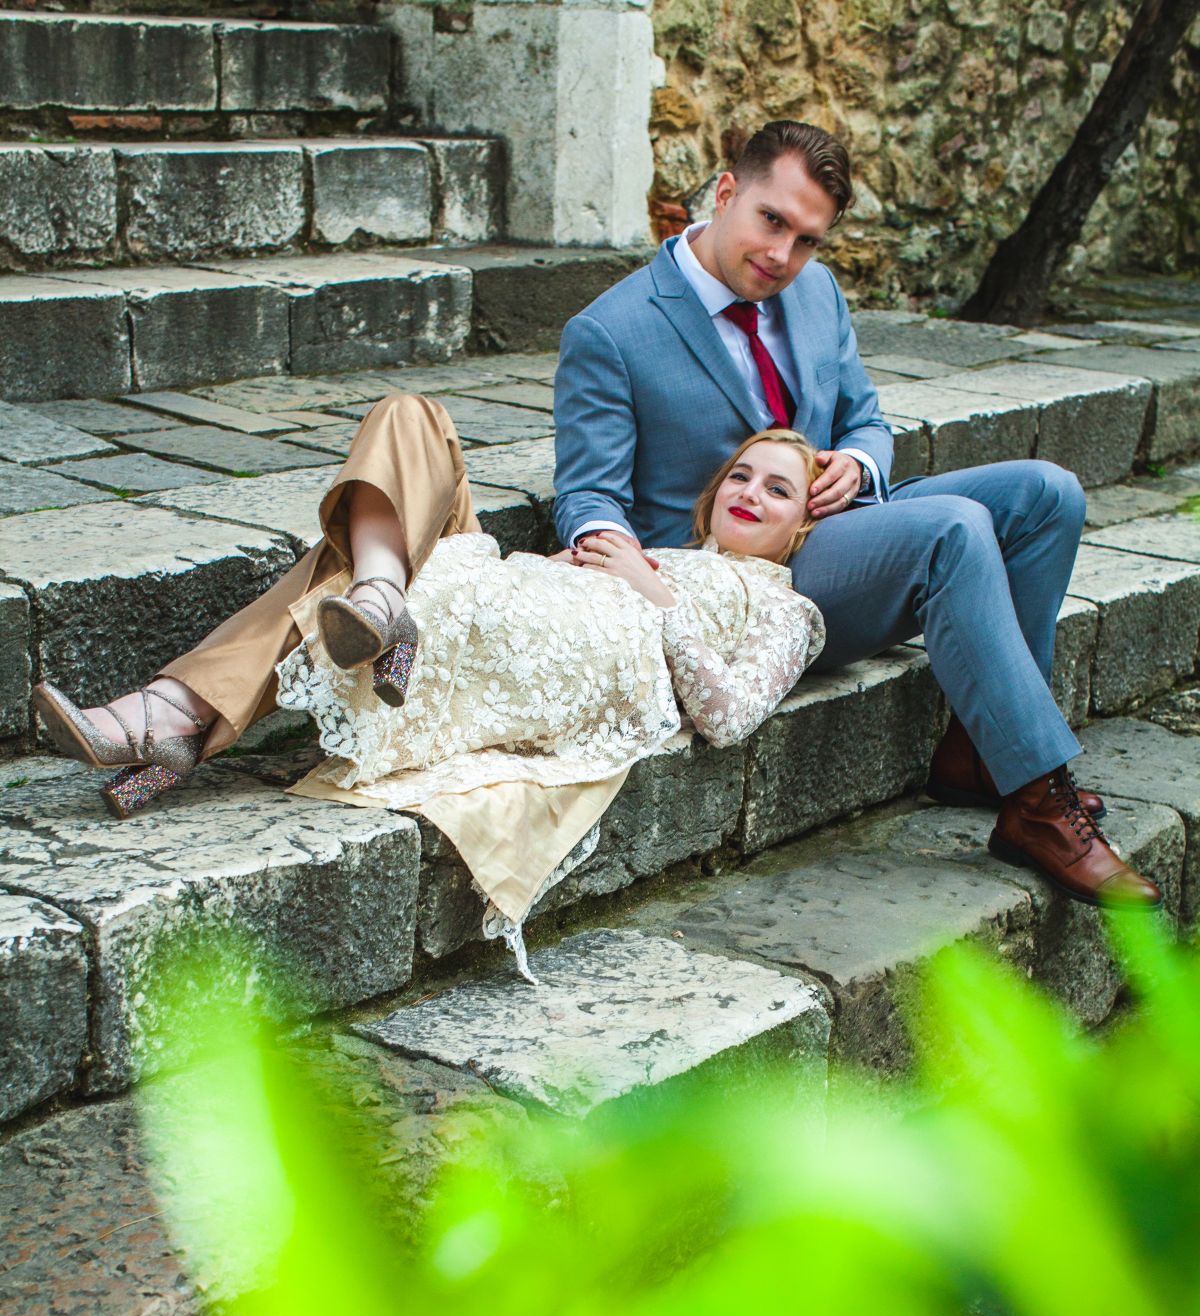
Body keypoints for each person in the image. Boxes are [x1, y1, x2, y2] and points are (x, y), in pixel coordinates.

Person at [552, 118, 1160, 910]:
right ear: (727, 192)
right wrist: (622, 565)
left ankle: (980, 753)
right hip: (744, 579)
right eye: (772, 222)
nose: (782, 257)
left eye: (808, 240)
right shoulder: (613, 329)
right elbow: (588, 492)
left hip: (838, 523)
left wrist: (860, 463)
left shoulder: (814, 293)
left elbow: (868, 419)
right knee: (954, 532)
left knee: (1048, 494)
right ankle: (1040, 803)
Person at [34, 400, 825, 965]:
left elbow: (728, 716)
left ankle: (188, 709)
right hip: (530, 599)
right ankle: (379, 600)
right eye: (741, 476)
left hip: (559, 652)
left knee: (343, 565)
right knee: (411, 417)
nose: (750, 493)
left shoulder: (790, 609)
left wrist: (651, 592)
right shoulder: (655, 548)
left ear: (803, 527)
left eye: (777, 489)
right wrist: (567, 567)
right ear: (713, 493)